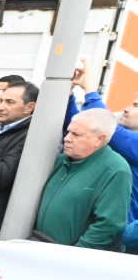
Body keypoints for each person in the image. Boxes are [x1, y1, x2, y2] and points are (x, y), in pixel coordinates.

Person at [33, 108, 132, 251]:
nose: (67, 138)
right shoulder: (61, 160)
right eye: (68, 132)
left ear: (100, 139)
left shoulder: (116, 170)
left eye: (76, 134)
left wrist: (75, 254)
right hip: (39, 246)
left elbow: (109, 224)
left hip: (68, 259)